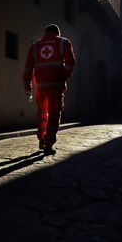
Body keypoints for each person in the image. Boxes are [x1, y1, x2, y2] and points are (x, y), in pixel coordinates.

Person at [23, 24, 75, 154]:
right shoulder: (64, 43)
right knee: (53, 114)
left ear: (45, 33)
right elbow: (70, 64)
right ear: (57, 32)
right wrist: (63, 77)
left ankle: (42, 139)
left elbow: (28, 68)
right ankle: (48, 144)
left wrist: (28, 87)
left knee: (42, 113)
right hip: (56, 86)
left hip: (40, 87)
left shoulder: (34, 46)